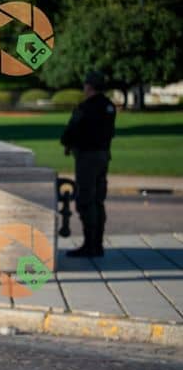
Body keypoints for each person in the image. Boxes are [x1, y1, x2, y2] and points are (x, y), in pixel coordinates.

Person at [60, 71, 116, 258]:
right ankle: (97, 244)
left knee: (85, 200)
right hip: (103, 156)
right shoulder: (109, 106)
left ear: (89, 86)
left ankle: (89, 245)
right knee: (98, 201)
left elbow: (71, 132)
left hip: (87, 158)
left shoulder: (85, 107)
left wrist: (67, 143)